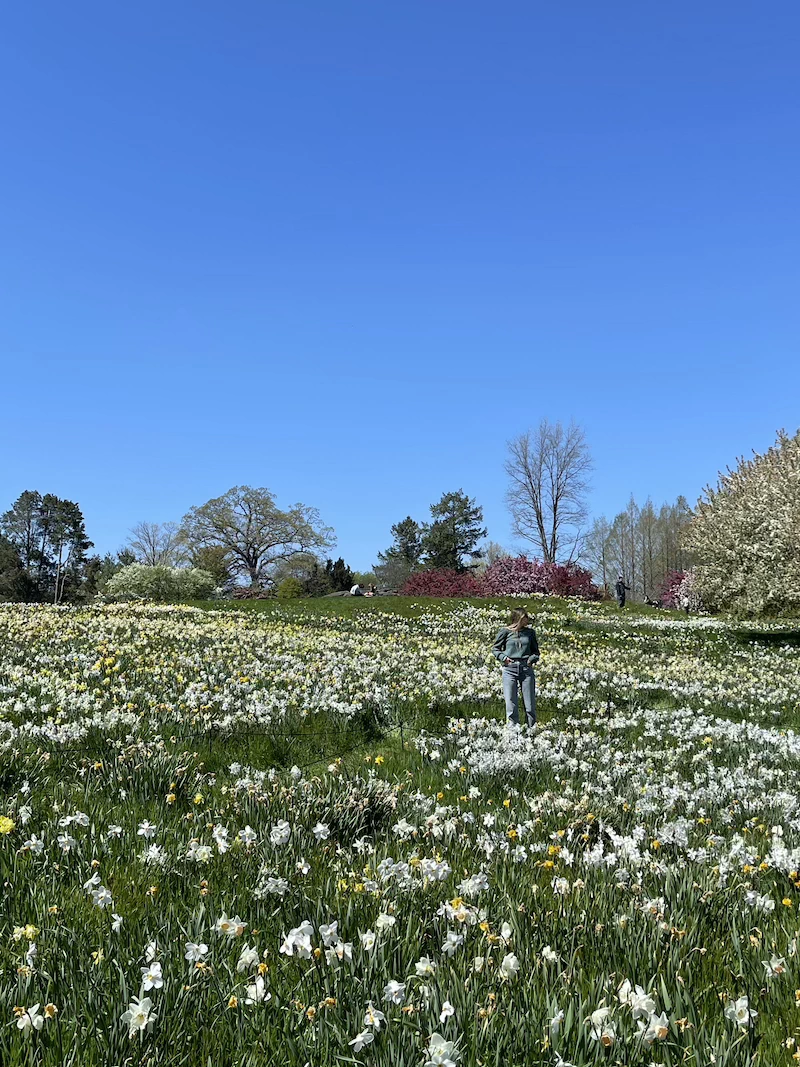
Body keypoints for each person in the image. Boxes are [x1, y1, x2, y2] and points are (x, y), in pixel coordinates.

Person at [492, 608, 539, 727]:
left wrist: (531, 660)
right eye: (524, 618)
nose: (527, 620)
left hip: (526, 669)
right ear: (518, 618)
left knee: (530, 705)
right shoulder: (505, 632)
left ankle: (531, 731)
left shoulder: (530, 633)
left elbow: (536, 652)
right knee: (511, 705)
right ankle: (513, 734)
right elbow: (495, 649)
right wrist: (504, 658)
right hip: (510, 669)